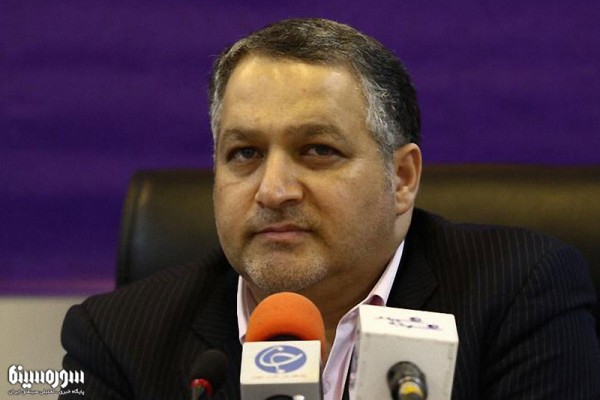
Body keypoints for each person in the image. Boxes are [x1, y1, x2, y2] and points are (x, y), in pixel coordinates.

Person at [59, 18, 600, 399]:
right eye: (244, 153)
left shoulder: (517, 294)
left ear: (403, 179)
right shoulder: (117, 339)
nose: (273, 190)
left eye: (317, 150)